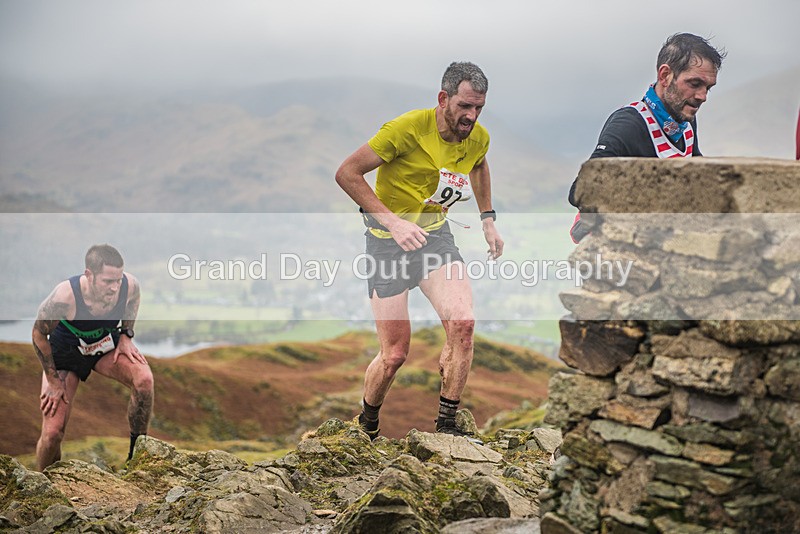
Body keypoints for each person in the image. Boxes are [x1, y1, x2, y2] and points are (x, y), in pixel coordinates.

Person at [335, 61, 503, 442]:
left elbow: (479, 165)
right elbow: (347, 173)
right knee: (394, 355)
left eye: (478, 108)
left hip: (435, 239)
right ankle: (367, 426)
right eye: (464, 106)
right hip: (386, 244)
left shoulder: (476, 136)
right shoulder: (406, 129)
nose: (471, 116)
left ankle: (446, 427)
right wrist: (394, 222)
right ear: (443, 98)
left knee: (463, 324)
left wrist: (487, 218)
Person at [568, 33, 726, 241]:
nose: (702, 96)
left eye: (708, 88)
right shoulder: (628, 124)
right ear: (665, 75)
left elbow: (696, 172)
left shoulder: (684, 122)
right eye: (694, 84)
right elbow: (581, 191)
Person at [32, 244, 153, 470]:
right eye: (108, 281)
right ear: (89, 274)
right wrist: (52, 380)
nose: (115, 287)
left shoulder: (128, 286)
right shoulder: (65, 296)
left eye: (117, 280)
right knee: (52, 434)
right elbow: (38, 334)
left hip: (103, 345)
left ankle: (137, 457)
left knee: (144, 380)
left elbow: (134, 299)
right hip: (66, 351)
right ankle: (42, 483)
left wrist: (127, 334)